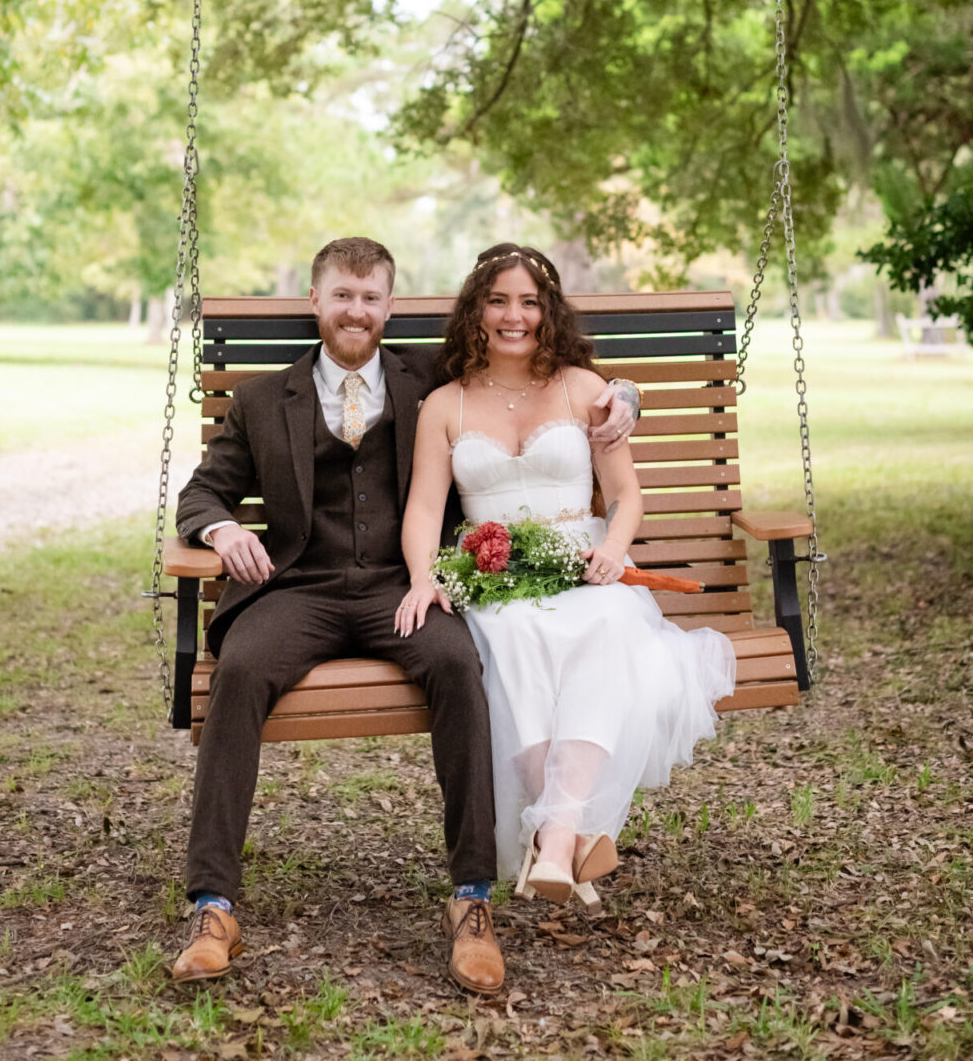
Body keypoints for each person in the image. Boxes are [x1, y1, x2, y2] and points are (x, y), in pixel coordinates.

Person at [170, 236, 636, 992]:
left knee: (458, 664)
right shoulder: (260, 400)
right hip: (300, 590)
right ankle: (213, 905)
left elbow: (535, 365)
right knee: (241, 670)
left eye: (371, 297)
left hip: (404, 588)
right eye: (342, 296)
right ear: (316, 302)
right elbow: (202, 492)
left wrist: (627, 399)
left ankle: (472, 901)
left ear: (390, 306)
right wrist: (221, 530)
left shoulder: (430, 376)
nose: (357, 311)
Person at [396, 244, 737, 904]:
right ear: (476, 311)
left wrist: (614, 547)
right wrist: (420, 576)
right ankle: (568, 838)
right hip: (494, 570)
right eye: (498, 301)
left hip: (584, 559)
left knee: (608, 626)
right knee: (516, 639)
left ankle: (551, 838)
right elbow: (423, 510)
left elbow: (627, 494)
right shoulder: (444, 403)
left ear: (548, 311)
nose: (514, 316)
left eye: (528, 301)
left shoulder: (586, 389)